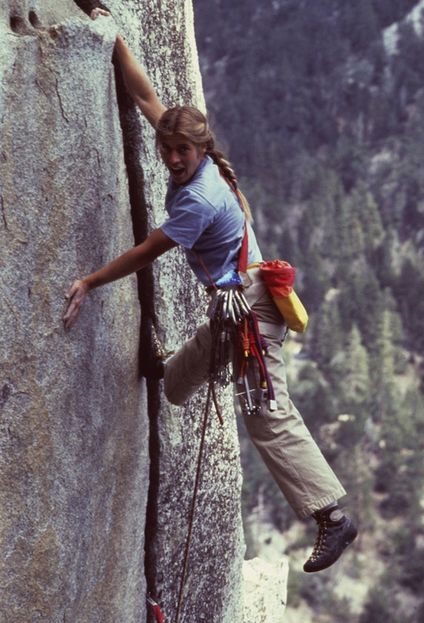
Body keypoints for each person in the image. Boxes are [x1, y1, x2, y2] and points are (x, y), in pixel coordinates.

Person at [64, 8, 358, 572]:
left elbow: (148, 250)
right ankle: (163, 370)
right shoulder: (192, 156)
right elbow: (146, 93)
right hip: (238, 303)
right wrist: (109, 31)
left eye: (183, 153)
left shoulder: (200, 198)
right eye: (168, 149)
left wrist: (89, 281)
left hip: (250, 307)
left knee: (264, 409)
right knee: (180, 377)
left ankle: (331, 517)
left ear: (199, 151)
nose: (173, 159)